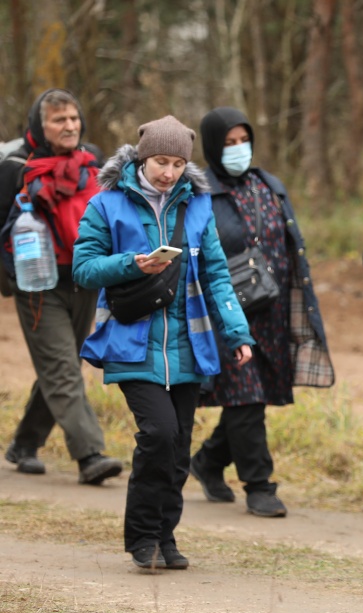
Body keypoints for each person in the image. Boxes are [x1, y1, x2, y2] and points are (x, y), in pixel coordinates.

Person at [73, 115, 254, 570]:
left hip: (190, 346)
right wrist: (132, 264)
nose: (168, 172)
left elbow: (217, 274)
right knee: (158, 434)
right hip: (132, 341)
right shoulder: (106, 204)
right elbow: (84, 269)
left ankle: (165, 537)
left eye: (176, 163)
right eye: (159, 161)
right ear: (142, 158)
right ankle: (140, 537)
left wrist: (237, 332)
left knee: (178, 450)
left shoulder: (198, 206)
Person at [188, 107, 334, 518]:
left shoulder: (269, 185)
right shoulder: (199, 191)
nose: (238, 150)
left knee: (255, 396)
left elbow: (290, 245)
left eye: (243, 140)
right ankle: (259, 485)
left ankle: (210, 461)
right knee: (244, 396)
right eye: (229, 143)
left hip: (271, 311)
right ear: (214, 147)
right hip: (225, 313)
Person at [1, 89, 122, 485]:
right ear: (41, 125)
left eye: (73, 118)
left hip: (85, 278)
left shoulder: (94, 160)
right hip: (38, 282)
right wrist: (9, 278)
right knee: (62, 367)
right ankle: (90, 454)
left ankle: (23, 444)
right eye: (59, 120)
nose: (69, 126)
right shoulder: (16, 166)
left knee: (63, 363)